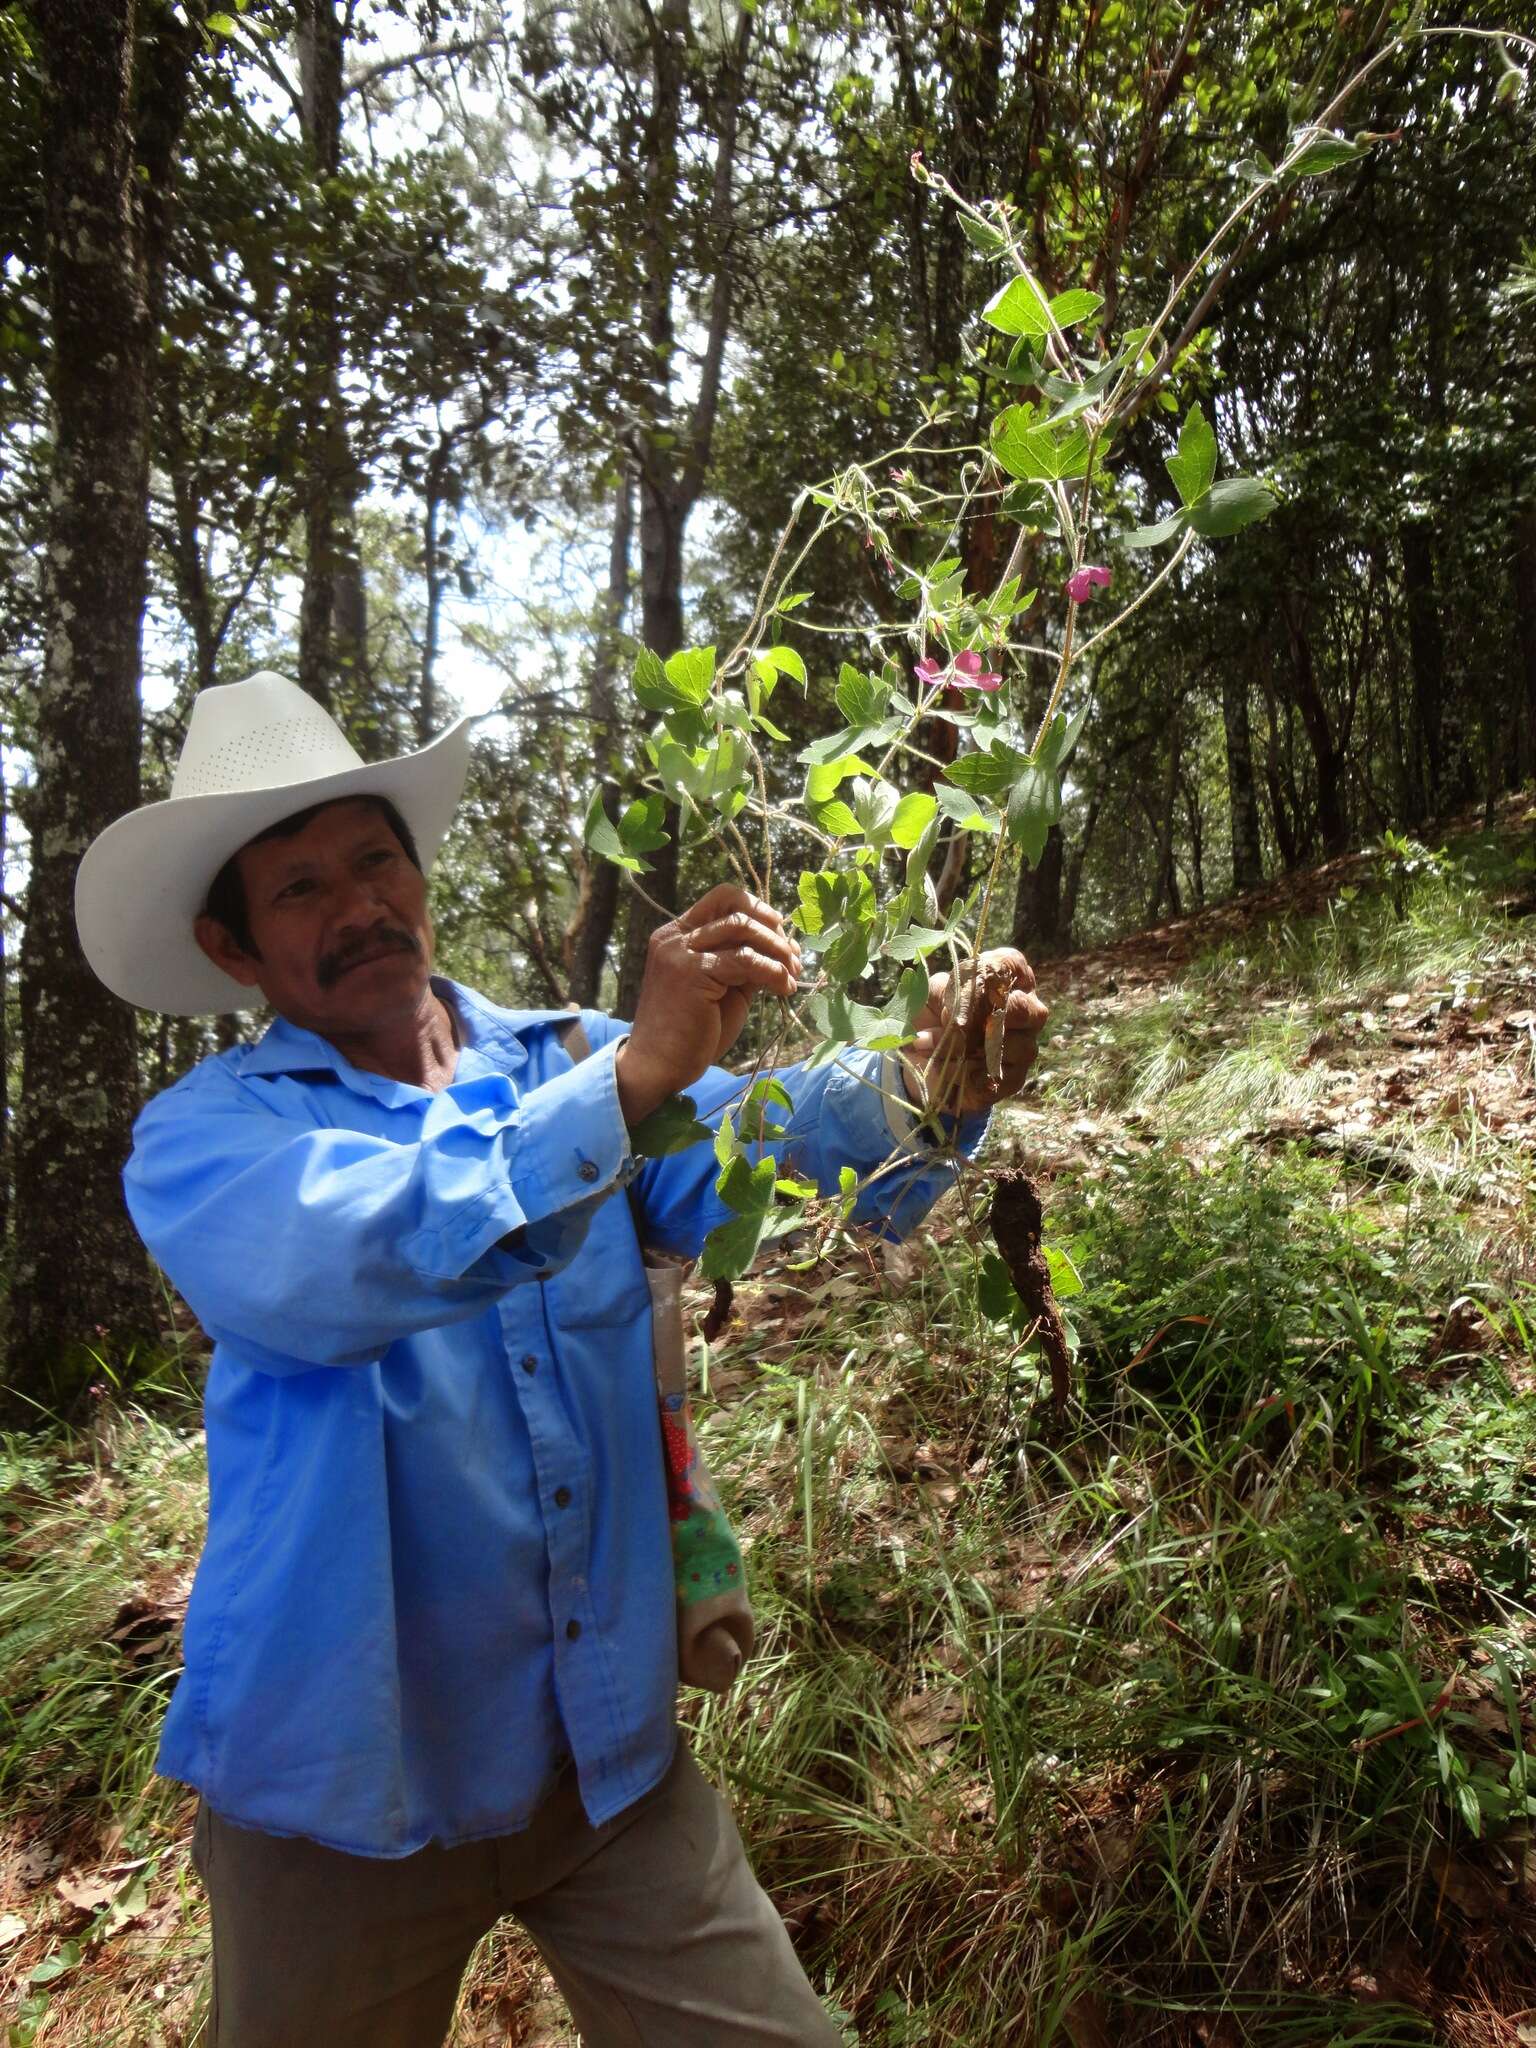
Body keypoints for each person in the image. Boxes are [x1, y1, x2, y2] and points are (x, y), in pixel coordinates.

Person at [74, 671, 1048, 2048]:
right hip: (340, 1797)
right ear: (234, 953)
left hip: (602, 1763)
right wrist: (628, 1086)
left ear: (419, 878)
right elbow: (366, 1251)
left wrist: (923, 1086)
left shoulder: (571, 1057)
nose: (355, 904)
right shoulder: (207, 1142)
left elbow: (761, 1152)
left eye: (371, 861)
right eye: (297, 890)